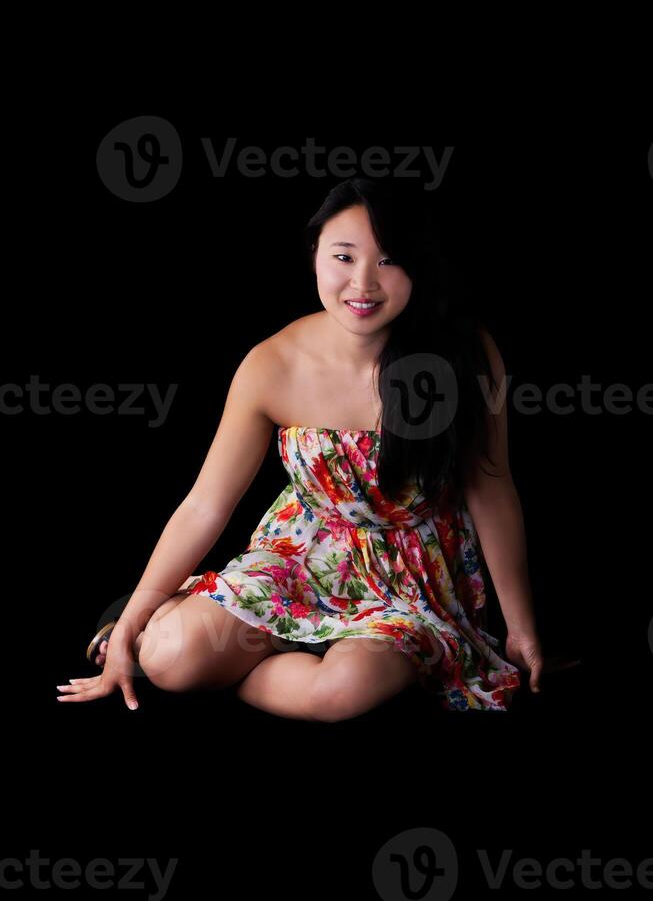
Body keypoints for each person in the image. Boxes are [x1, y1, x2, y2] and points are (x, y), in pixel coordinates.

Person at [56, 176, 557, 719]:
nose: (362, 283)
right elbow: (206, 504)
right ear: (316, 253)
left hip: (413, 574)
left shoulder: (464, 351)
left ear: (419, 264)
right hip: (305, 551)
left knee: (340, 693)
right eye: (344, 256)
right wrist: (132, 623)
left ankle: (275, 639)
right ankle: (194, 618)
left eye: (389, 260)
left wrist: (521, 630)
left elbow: (492, 486)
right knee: (170, 661)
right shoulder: (273, 363)